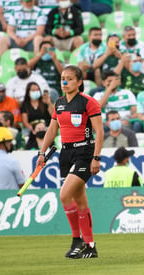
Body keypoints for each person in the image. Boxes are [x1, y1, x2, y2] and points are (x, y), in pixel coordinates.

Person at [37, 65, 104, 258]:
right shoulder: (58, 103)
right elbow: (51, 130)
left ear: (79, 82)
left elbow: (99, 131)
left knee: (65, 195)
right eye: (62, 79)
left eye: (69, 79)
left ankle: (77, 240)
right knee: (80, 201)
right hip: (65, 154)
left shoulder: (88, 102)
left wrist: (96, 157)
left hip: (84, 152)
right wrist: (42, 153)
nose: (64, 82)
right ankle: (90, 247)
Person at [20, 82, 54, 148]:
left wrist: (49, 103)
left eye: (37, 90)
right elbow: (25, 122)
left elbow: (53, 115)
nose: (35, 91)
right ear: (28, 92)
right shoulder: (25, 105)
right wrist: (33, 129)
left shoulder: (44, 102)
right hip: (33, 129)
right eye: (33, 90)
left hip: (46, 127)